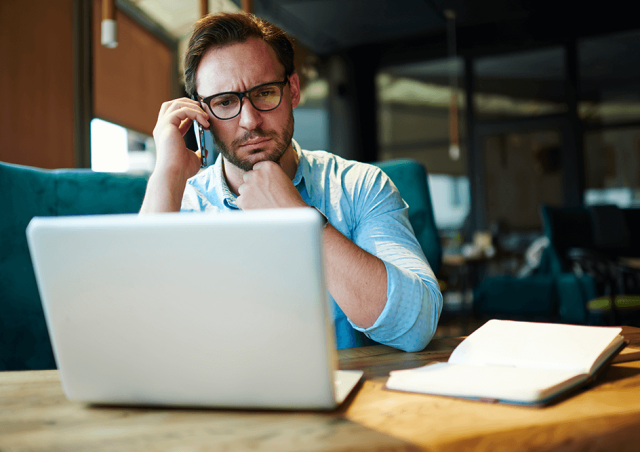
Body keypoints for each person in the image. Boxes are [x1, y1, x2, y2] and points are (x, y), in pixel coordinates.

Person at [140, 12, 442, 351]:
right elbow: (137, 337)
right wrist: (166, 175)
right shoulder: (178, 203)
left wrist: (301, 218)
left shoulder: (359, 185)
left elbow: (416, 326)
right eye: (225, 102)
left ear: (293, 90)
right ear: (202, 116)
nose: (250, 121)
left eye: (265, 93)